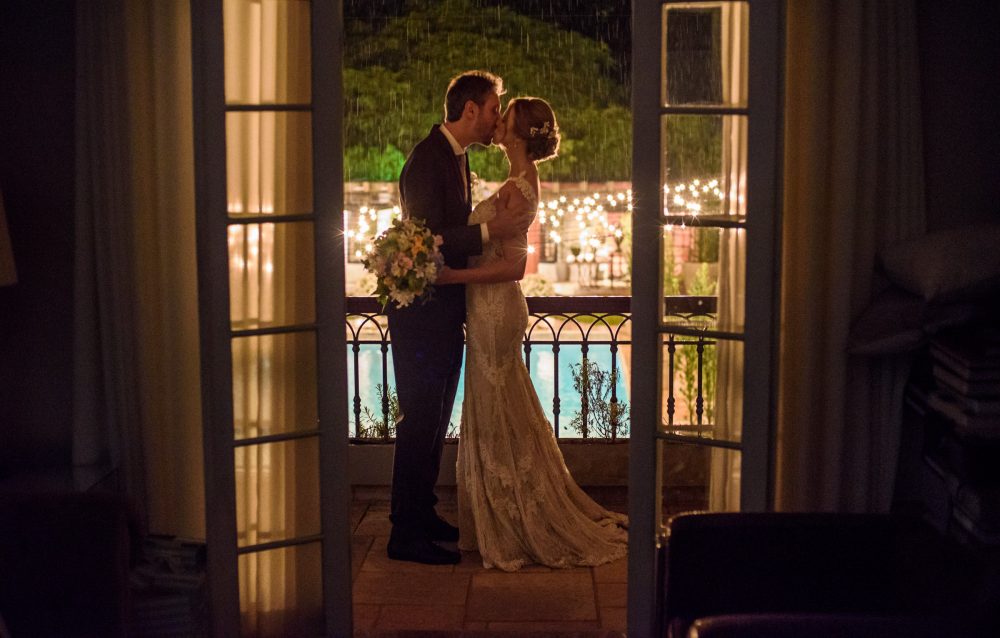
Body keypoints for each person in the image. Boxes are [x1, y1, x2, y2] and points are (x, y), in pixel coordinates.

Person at [435, 97, 628, 571]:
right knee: (499, 405)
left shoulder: (519, 190)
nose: (498, 121)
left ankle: (515, 516)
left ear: (518, 136)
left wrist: (452, 279)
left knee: (497, 404)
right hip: (486, 309)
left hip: (495, 309)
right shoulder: (516, 184)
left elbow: (515, 265)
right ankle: (501, 512)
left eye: (507, 116)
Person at [387, 70, 535, 565]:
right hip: (422, 313)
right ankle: (403, 533)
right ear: (470, 110)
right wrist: (491, 231)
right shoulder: (427, 160)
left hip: (446, 310)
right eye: (494, 108)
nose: (496, 118)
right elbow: (427, 240)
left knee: (433, 421)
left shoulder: (458, 158)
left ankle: (423, 512)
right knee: (419, 421)